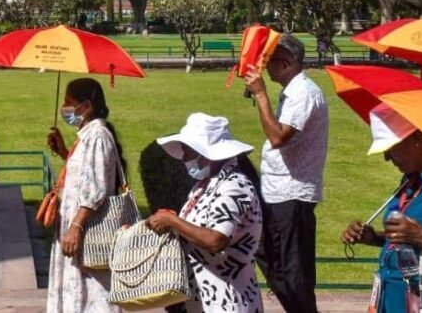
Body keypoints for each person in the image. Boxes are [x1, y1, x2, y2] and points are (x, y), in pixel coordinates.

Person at [244, 33, 328, 313]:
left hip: (293, 195)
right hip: (279, 193)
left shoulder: (303, 93)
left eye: (269, 61)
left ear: (287, 62)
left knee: (294, 272)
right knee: (269, 257)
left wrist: (260, 94)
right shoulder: (294, 92)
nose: (266, 67)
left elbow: (279, 137)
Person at [146, 113, 262, 312]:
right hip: (202, 299)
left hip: (227, 300)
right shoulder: (204, 186)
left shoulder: (234, 187)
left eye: (188, 151)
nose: (183, 157)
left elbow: (216, 240)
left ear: (206, 153)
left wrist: (172, 221)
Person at [45, 77, 126, 313]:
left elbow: (96, 187)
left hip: (88, 229)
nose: (65, 108)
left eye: (69, 102)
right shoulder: (87, 135)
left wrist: (76, 226)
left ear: (86, 106)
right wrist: (63, 151)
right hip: (77, 226)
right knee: (77, 287)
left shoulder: (98, 136)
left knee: (91, 291)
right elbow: (85, 174)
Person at [341, 103, 422, 312]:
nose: (386, 157)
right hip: (391, 298)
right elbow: (405, 240)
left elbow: (417, 236)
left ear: (416, 140)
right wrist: (374, 238)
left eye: (391, 149)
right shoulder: (410, 182)